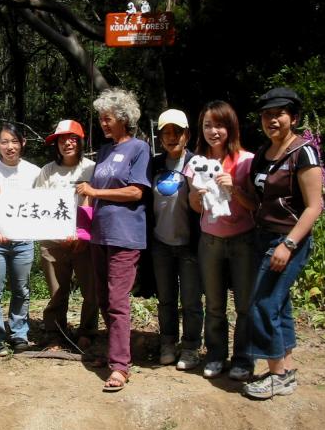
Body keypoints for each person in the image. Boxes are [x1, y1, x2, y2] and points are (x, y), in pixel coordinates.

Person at [242, 88, 322, 399]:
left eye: (279, 113)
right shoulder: (263, 152)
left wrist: (287, 245)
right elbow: (257, 201)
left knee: (263, 304)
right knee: (280, 304)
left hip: (288, 239)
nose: (272, 119)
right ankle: (285, 369)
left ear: (294, 117)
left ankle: (275, 375)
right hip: (263, 236)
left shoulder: (303, 153)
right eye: (266, 114)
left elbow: (314, 206)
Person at [76, 88, 151, 391]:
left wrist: (95, 193)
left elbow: (136, 191)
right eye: (101, 119)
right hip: (100, 236)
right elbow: (89, 195)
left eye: (107, 119)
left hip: (125, 236)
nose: (103, 124)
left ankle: (120, 366)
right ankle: (113, 353)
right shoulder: (105, 152)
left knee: (118, 301)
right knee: (104, 298)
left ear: (123, 118)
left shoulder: (139, 148)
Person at [186, 100, 257, 381]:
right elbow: (194, 207)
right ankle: (215, 355)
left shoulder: (247, 160)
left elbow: (255, 205)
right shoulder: (197, 163)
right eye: (207, 125)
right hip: (210, 240)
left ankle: (243, 358)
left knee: (244, 305)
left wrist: (235, 190)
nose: (213, 131)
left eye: (219, 125)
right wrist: (195, 198)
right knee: (214, 304)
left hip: (243, 240)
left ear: (231, 127)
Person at [35, 120, 98, 351]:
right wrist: (56, 234)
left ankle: (87, 331)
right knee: (56, 292)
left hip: (85, 242)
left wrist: (84, 235)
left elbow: (98, 204)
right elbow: (39, 206)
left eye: (72, 138)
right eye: (62, 139)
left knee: (90, 290)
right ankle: (55, 333)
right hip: (53, 242)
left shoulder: (92, 168)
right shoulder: (47, 171)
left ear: (80, 142)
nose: (67, 143)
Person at [0, 123, 40, 355]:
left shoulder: (34, 171)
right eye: (4, 142)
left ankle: (19, 334)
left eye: (14, 141)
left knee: (21, 289)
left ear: (23, 143)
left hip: (23, 240)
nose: (10, 147)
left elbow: (41, 205)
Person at [149, 109, 203, 369]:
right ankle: (167, 342)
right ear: (160, 137)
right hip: (161, 244)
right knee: (166, 299)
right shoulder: (154, 165)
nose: (171, 138)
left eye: (177, 132)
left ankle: (191, 346)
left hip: (189, 246)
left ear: (187, 135)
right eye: (166, 133)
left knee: (191, 301)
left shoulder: (197, 163)